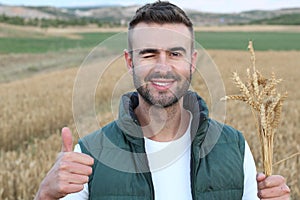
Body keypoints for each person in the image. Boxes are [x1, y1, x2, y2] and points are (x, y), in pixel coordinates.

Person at [35, 1, 291, 199]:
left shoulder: (234, 146)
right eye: (148, 54)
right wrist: (45, 195)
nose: (163, 67)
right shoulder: (89, 154)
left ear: (192, 61)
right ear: (129, 61)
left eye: (175, 53)